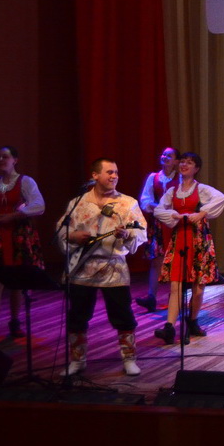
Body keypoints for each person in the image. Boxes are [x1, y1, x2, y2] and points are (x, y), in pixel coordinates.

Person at [56, 158, 147, 376]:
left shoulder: (127, 203)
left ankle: (129, 358)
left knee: (122, 314)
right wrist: (73, 236)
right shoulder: (78, 202)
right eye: (109, 172)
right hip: (83, 267)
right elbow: (61, 229)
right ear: (95, 175)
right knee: (78, 315)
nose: (114, 176)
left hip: (113, 266)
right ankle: (77, 360)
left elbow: (141, 229)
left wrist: (127, 234)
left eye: (116, 172)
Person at [0, 146, 46, 341]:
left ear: (15, 160)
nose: (0, 160)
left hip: (19, 234)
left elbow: (38, 205)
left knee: (17, 280)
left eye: (5, 157)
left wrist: (15, 215)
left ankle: (15, 321)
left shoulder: (25, 181)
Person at [153, 152, 224, 344]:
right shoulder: (172, 191)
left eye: (190, 163)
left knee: (198, 288)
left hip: (198, 238)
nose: (184, 165)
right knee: (176, 285)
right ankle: (169, 327)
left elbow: (220, 198)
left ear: (196, 169)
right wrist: (173, 215)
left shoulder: (201, 189)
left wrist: (202, 213)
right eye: (183, 162)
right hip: (180, 239)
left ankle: (192, 321)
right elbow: (159, 210)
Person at [135, 147, 179, 313]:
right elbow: (145, 200)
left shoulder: (181, 179)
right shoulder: (153, 177)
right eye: (163, 154)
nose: (165, 157)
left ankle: (175, 297)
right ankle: (151, 297)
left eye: (169, 155)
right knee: (156, 261)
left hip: (175, 224)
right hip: (159, 224)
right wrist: (159, 207)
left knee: (176, 261)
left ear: (176, 161)